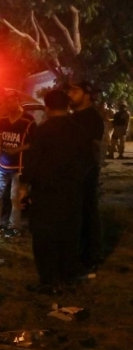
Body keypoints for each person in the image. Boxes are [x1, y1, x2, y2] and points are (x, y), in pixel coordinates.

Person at [23, 89, 96, 290]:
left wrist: (24, 185)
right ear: (67, 106)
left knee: (44, 237)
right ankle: (69, 273)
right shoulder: (80, 131)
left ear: (46, 107)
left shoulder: (41, 131)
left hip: (45, 192)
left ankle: (49, 280)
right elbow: (90, 161)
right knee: (69, 233)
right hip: (72, 192)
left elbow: (32, 161)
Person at [0, 90, 35, 238]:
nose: (10, 104)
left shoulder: (28, 121)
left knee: (15, 197)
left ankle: (14, 226)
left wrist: (17, 149)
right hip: (3, 163)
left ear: (18, 101)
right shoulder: (4, 119)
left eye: (13, 100)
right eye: (7, 101)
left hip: (19, 165)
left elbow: (33, 143)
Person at [67, 81, 105, 268]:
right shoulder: (73, 117)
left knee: (88, 212)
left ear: (87, 94)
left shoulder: (92, 118)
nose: (70, 94)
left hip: (85, 173)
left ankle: (92, 256)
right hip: (71, 173)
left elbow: (93, 149)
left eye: (75, 91)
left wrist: (87, 172)